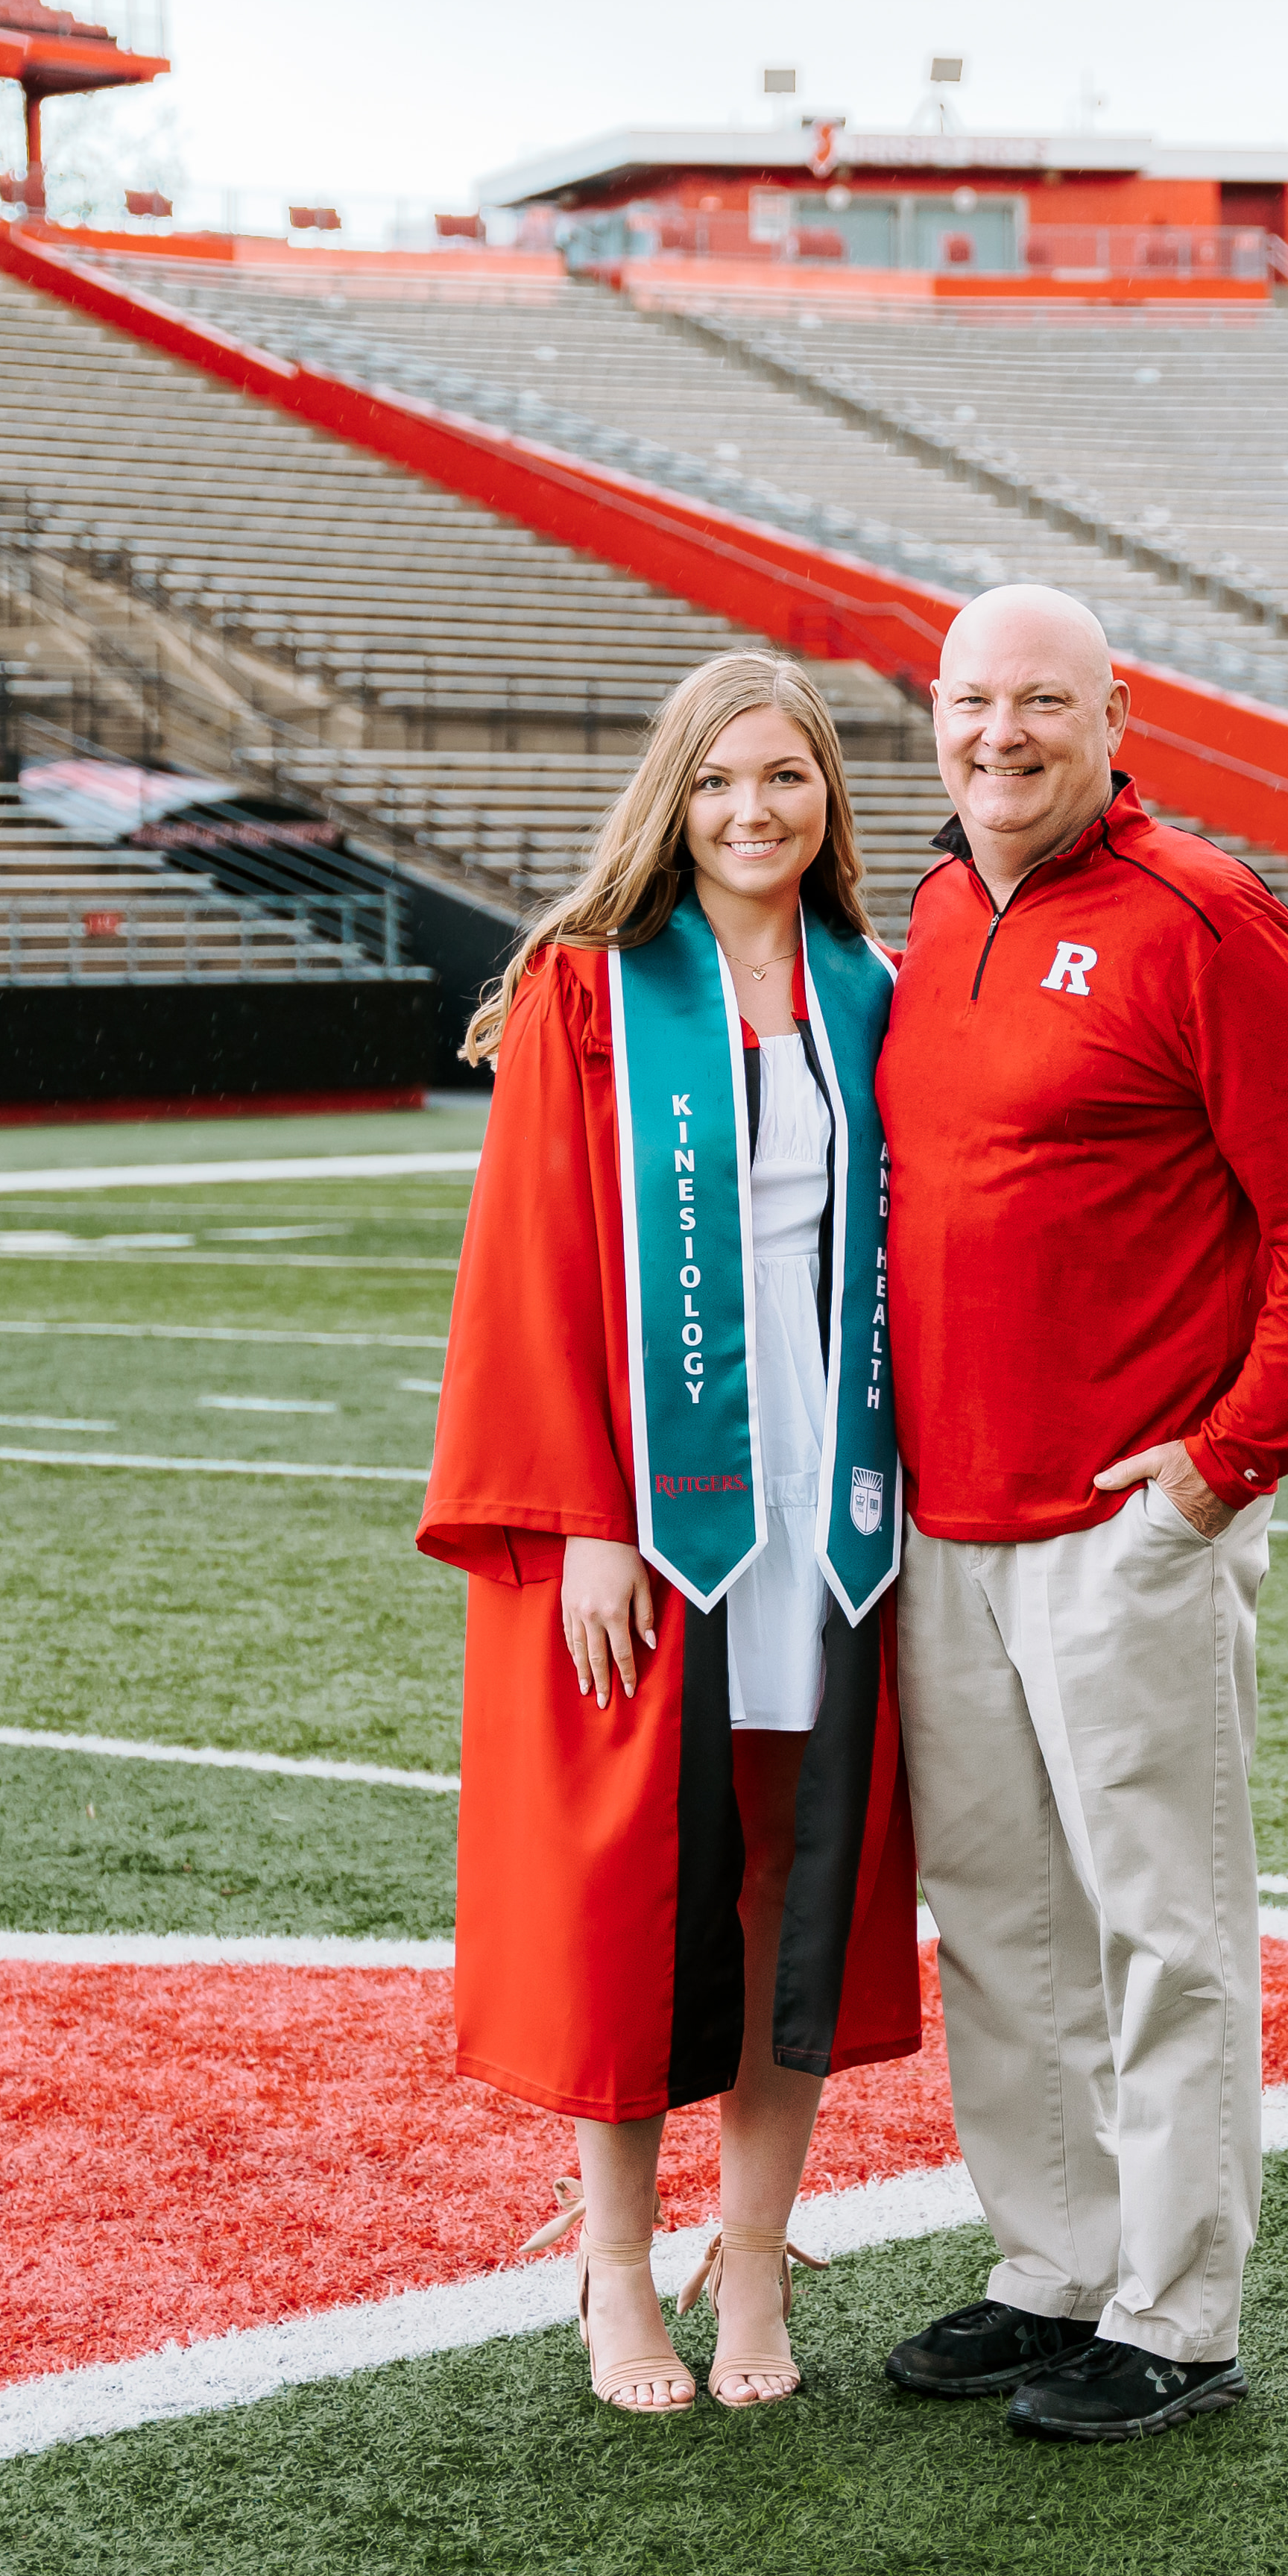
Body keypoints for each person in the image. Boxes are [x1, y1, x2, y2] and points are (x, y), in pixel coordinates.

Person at [874, 582, 1288, 2443]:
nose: (997, 733)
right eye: (967, 699)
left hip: (1125, 1524)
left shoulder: (1208, 914)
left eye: (1038, 701)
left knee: (1163, 1925)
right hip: (946, 1522)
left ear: (1114, 715)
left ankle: (1177, 2307)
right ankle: (1052, 2261)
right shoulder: (935, 908)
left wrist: (1218, 1470)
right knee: (999, 1922)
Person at [417, 651, 921, 2416]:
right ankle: (615, 2267)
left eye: (786, 778)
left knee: (794, 1887)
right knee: (646, 1890)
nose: (753, 811)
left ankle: (758, 2256)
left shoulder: (881, 992)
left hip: (836, 1508)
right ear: (672, 799)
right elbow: (534, 1272)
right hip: (658, 1512)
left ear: (828, 801)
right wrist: (586, 1531)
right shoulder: (590, 995)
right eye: (718, 783)